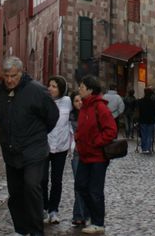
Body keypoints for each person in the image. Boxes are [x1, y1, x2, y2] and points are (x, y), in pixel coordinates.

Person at [0, 56, 58, 236]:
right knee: (16, 193)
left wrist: (37, 135)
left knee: (32, 186)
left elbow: (52, 116)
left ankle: (36, 231)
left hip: (34, 150)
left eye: (13, 75)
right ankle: (21, 229)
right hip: (11, 151)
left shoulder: (37, 91)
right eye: (6, 76)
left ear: (21, 73)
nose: (10, 80)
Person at [74, 75, 117, 234]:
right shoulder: (84, 107)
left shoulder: (100, 107)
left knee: (95, 190)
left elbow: (111, 131)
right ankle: (93, 216)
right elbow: (82, 128)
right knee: (80, 185)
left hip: (98, 157)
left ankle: (98, 223)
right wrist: (78, 138)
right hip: (85, 155)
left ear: (90, 90)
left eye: (82, 87)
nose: (79, 89)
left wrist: (95, 142)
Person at [42, 76, 71, 225]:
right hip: (45, 145)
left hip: (61, 146)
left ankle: (54, 210)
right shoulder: (43, 101)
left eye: (54, 86)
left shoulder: (67, 102)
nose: (51, 89)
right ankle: (43, 207)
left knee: (56, 180)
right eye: (50, 85)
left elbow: (72, 120)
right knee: (42, 179)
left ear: (61, 89)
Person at [68, 92, 89, 228]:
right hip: (76, 154)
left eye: (81, 100)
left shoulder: (90, 114)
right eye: (76, 101)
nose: (79, 103)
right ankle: (82, 215)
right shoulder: (70, 118)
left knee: (86, 185)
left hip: (89, 153)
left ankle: (79, 215)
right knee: (79, 184)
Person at [137, 86, 155, 154]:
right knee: (149, 134)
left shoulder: (140, 101)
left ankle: (144, 148)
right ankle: (148, 148)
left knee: (143, 134)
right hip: (151, 119)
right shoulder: (153, 102)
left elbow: (138, 110)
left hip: (143, 119)